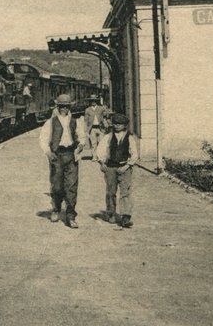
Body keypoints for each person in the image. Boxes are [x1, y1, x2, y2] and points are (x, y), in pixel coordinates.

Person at [38, 93, 87, 228]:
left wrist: (80, 147)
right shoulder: (50, 122)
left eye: (67, 106)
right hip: (57, 156)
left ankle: (71, 216)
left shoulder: (75, 122)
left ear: (70, 107)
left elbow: (82, 137)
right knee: (57, 185)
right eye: (62, 106)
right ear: (58, 107)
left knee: (71, 186)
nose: (64, 109)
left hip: (71, 155)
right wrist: (48, 153)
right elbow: (43, 139)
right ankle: (56, 209)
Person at [95, 113, 139, 228]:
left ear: (125, 125)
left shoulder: (130, 138)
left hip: (125, 167)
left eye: (120, 124)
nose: (117, 126)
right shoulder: (108, 137)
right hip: (110, 167)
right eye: (115, 123)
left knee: (125, 192)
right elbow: (100, 151)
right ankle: (111, 213)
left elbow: (134, 154)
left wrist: (126, 166)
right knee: (110, 191)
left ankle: (125, 216)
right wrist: (102, 163)